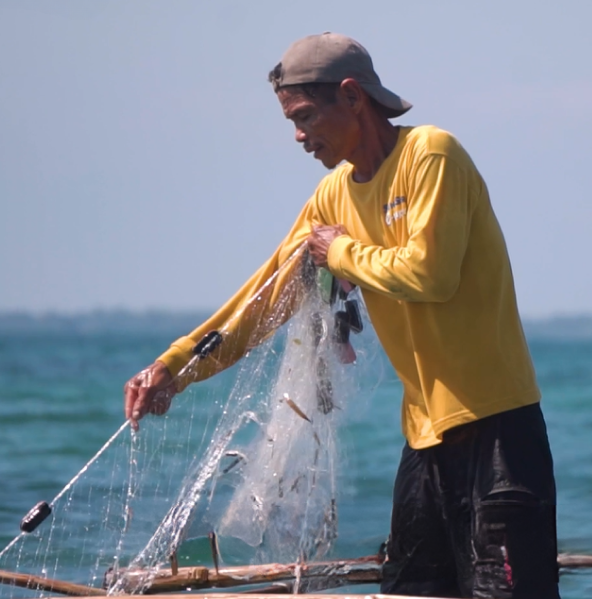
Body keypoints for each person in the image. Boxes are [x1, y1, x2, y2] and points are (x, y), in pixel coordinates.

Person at [123, 33, 559, 598]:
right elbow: (261, 301)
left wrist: (341, 252)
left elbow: (431, 275)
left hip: (499, 431)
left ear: (353, 97)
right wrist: (175, 367)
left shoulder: (431, 154)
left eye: (305, 117)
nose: (300, 137)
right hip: (424, 442)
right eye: (291, 123)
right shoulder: (331, 197)